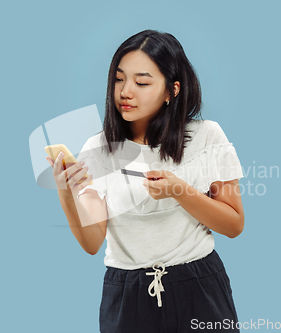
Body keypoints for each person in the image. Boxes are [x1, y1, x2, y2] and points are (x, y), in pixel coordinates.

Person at [46, 29, 245, 333]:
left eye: (141, 82)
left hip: (199, 286)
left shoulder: (208, 138)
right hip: (128, 294)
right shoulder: (97, 151)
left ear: (172, 90)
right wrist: (65, 192)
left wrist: (179, 191)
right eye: (118, 79)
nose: (126, 91)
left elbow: (234, 225)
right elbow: (91, 243)